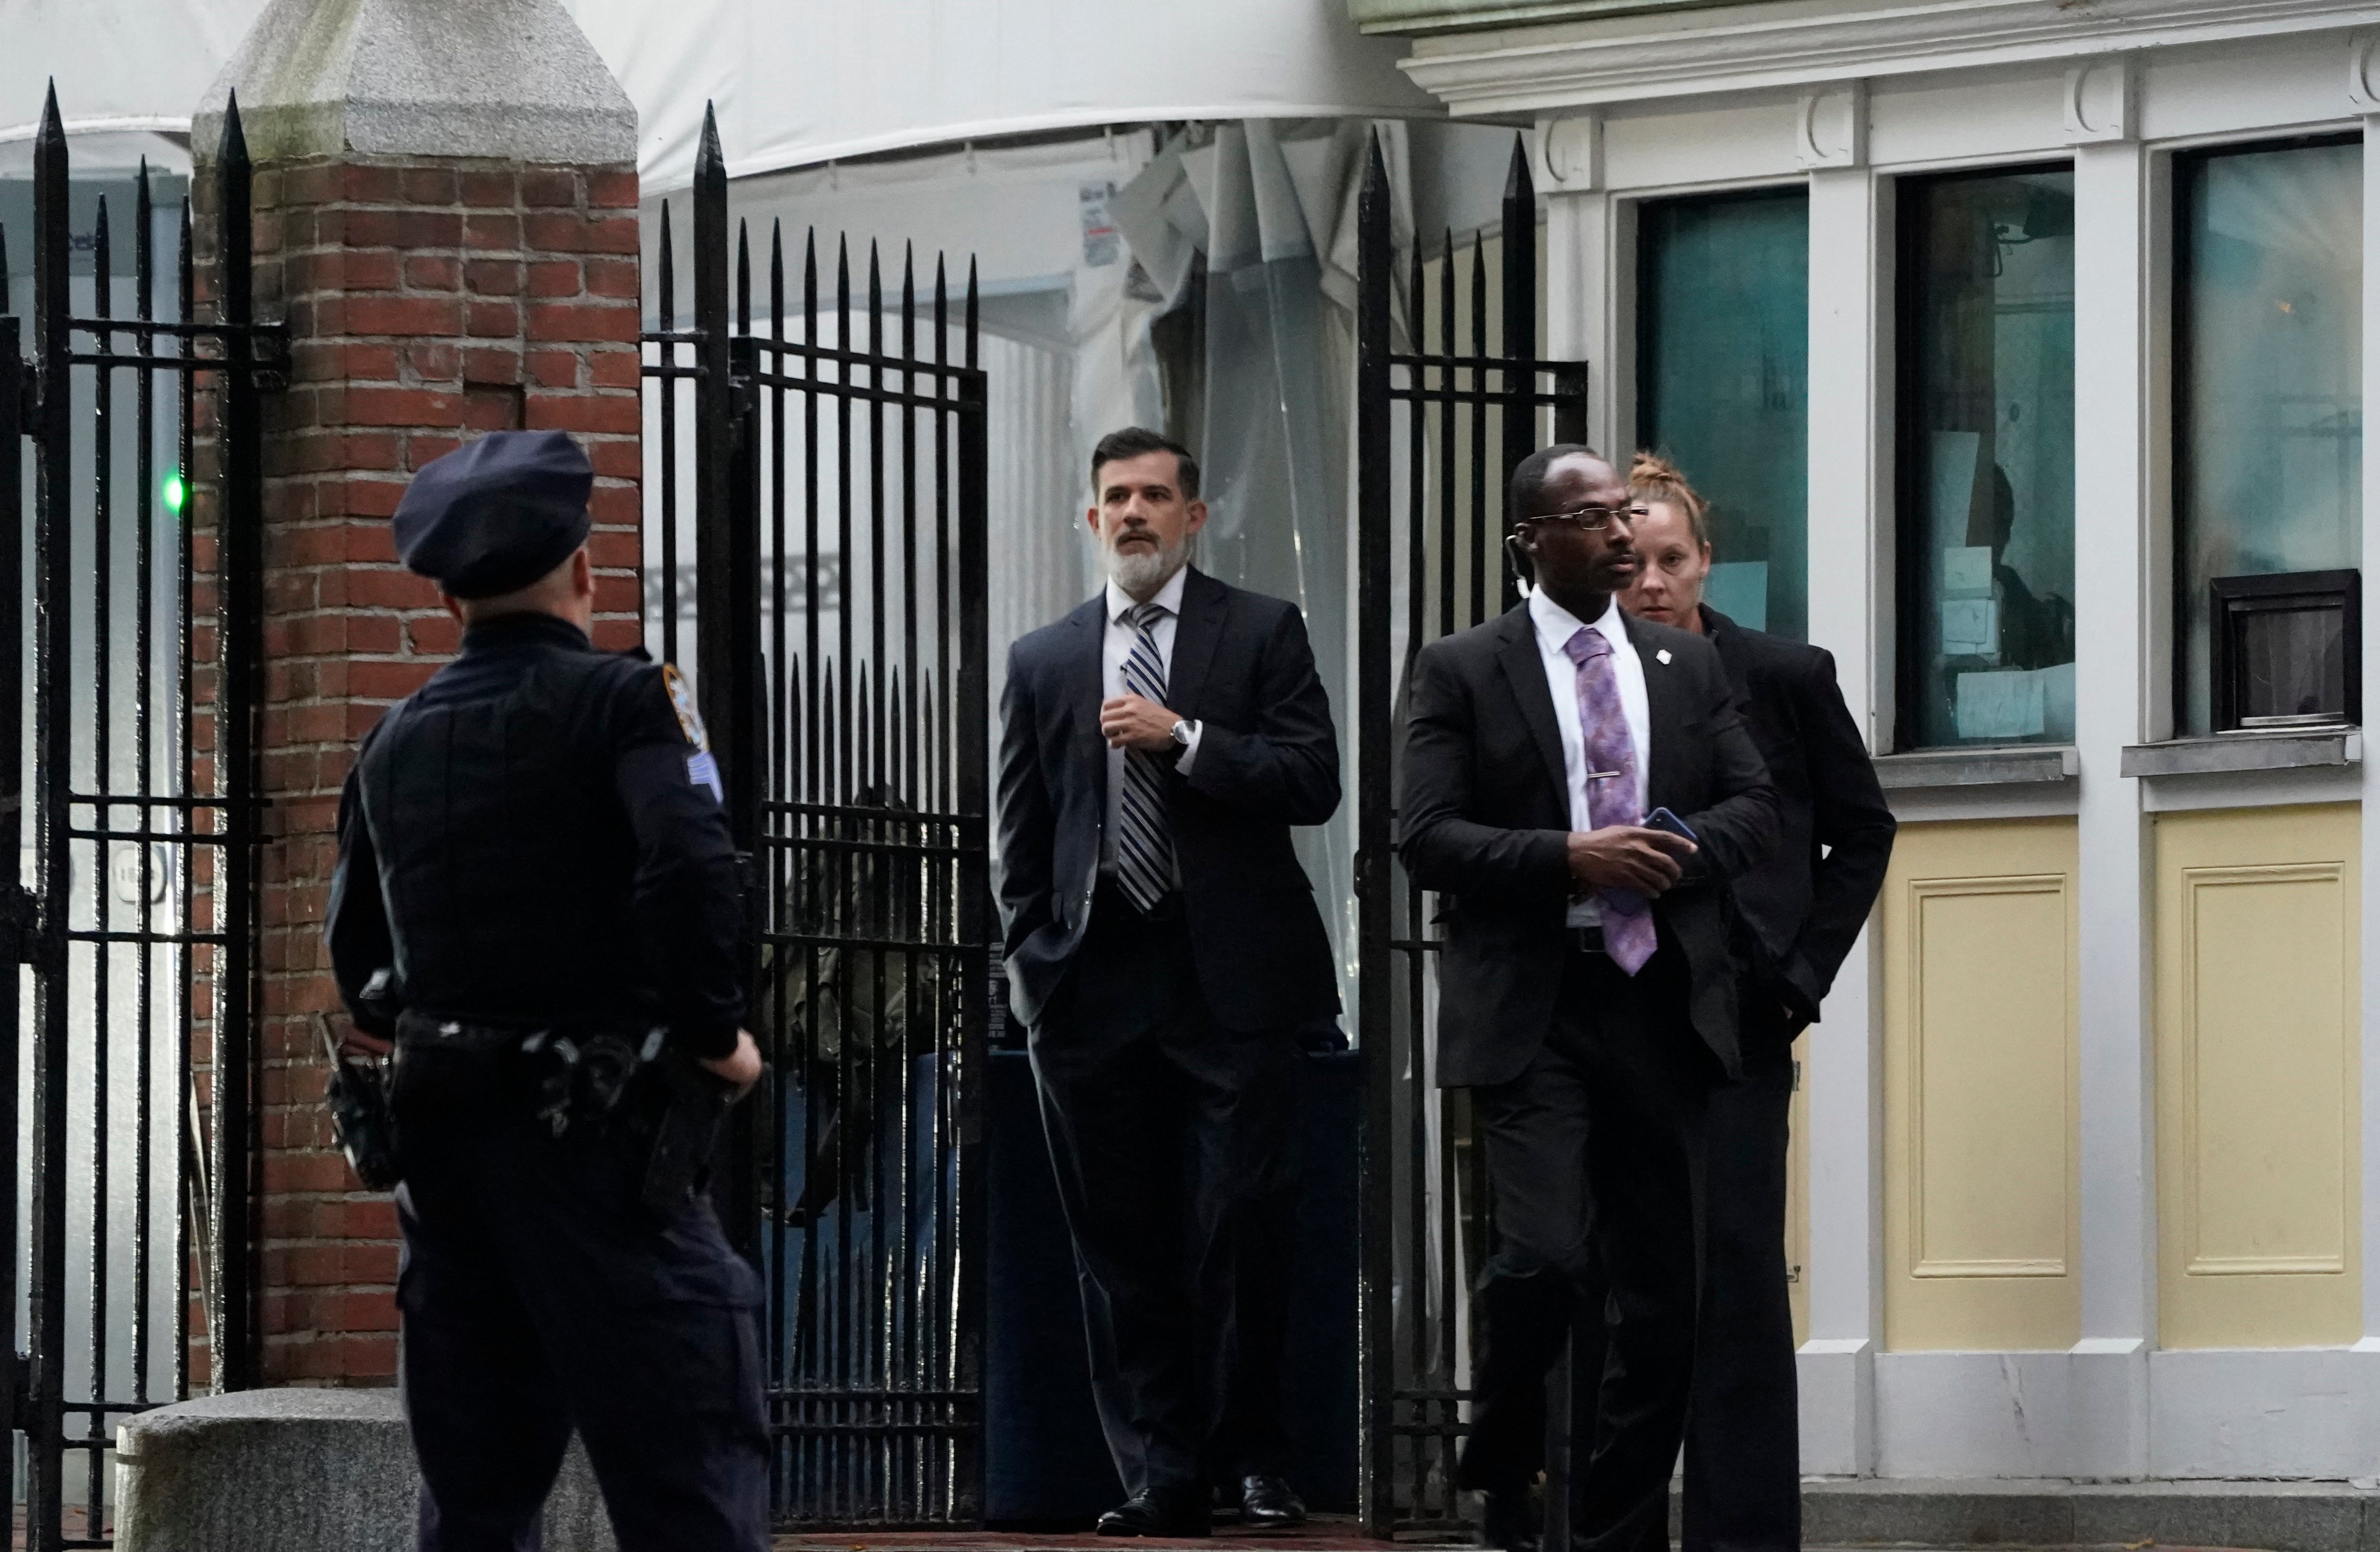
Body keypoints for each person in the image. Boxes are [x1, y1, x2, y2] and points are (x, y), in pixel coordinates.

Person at [324, 429, 771, 1552]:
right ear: (583, 566)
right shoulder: (629, 702)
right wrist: (716, 1032)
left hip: (447, 1156)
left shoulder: (393, 742)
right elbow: (689, 865)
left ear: (450, 597)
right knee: (689, 1480)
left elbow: (360, 969)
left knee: (476, 1500)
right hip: (603, 1146)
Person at [1398, 444, 1779, 1552]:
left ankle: (1613, 1532)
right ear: (1531, 541)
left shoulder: (1683, 666)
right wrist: (1571, 857)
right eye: (1590, 519)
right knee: (1545, 1256)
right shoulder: (1463, 668)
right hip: (1535, 1006)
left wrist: (1676, 849)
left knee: (1664, 1301)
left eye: (1625, 514)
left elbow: (1757, 805)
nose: (1620, 536)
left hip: (1658, 1002)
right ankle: (1505, 1452)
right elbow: (1427, 837)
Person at [996, 427, 1341, 1537]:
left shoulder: (1260, 630)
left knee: (1242, 1221)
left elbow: (1312, 781)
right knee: (1120, 1242)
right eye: (1115, 498)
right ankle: (1161, 1471)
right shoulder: (1044, 658)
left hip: (1228, 977)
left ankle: (1254, 1459)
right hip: (1090, 985)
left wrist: (1185, 737)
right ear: (1092, 521)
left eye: (1155, 495)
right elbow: (1021, 833)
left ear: (1195, 516)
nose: (1134, 513)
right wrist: (1034, 969)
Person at [1617, 450, 1896, 1552]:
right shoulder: (1585, 679)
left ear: (1706, 562)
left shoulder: (1782, 674)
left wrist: (1801, 970)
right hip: (1614, 1008)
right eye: (1629, 562)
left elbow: (1861, 829)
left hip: (1741, 1007)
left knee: (1736, 1269)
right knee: (1618, 1275)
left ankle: (1742, 1537)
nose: (1650, 582)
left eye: (1670, 560)